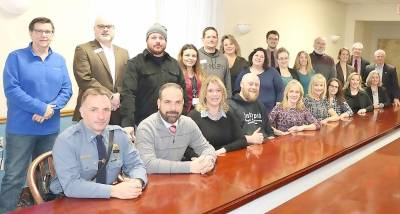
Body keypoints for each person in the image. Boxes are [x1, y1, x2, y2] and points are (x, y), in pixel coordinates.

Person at [0, 17, 72, 213]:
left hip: (50, 129)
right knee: (14, 177)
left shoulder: (59, 60)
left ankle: (41, 210)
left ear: (52, 35)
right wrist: (41, 108)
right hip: (21, 129)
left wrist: (50, 109)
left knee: (46, 177)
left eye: (48, 31)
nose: (43, 35)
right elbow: (12, 90)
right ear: (31, 33)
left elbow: (67, 90)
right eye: (39, 31)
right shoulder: (16, 57)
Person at [50, 88, 147, 199]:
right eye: (94, 110)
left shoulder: (119, 135)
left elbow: (136, 165)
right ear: (81, 112)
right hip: (71, 201)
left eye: (106, 109)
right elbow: (71, 186)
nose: (101, 116)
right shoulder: (66, 141)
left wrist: (137, 181)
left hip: (109, 200)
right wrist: (113, 191)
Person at [120, 23, 187, 140]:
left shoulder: (174, 64)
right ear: (147, 40)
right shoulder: (135, 63)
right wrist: (128, 123)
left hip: (170, 125)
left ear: (166, 41)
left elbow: (183, 95)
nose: (158, 41)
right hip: (143, 126)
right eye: (154, 37)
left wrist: (182, 119)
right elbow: (128, 94)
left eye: (161, 38)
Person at [135, 83, 217, 174]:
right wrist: (190, 167)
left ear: (183, 104)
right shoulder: (146, 128)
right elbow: (147, 164)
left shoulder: (188, 124)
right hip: (152, 184)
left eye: (178, 102)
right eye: (167, 102)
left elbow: (206, 148)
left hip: (179, 182)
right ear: (158, 103)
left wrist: (209, 160)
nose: (173, 108)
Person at [73, 16, 129, 125]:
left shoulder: (124, 52)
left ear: (114, 29)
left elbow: (128, 80)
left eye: (109, 26)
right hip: (92, 111)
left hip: (118, 112)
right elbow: (84, 79)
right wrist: (110, 96)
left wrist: (119, 96)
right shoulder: (83, 49)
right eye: (101, 26)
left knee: (116, 142)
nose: (105, 29)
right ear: (94, 29)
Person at [188, 75, 247, 155]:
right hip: (203, 163)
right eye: (210, 91)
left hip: (225, 161)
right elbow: (185, 147)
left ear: (222, 93)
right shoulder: (193, 116)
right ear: (204, 94)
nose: (215, 94)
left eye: (218, 90)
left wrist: (222, 150)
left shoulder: (228, 114)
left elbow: (242, 140)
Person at [235, 47, 284, 116]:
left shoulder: (272, 72)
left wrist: (277, 109)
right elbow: (236, 91)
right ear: (252, 57)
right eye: (256, 55)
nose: (259, 58)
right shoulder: (243, 72)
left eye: (262, 57)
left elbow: (280, 90)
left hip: (269, 112)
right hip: (248, 112)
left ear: (265, 60)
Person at [229, 73, 275, 144]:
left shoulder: (260, 105)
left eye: (256, 85)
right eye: (250, 84)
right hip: (243, 149)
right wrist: (250, 140)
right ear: (241, 84)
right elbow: (230, 137)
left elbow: (270, 132)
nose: (254, 87)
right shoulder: (230, 105)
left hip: (264, 148)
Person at [198, 27, 231, 96]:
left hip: (219, 98)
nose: (211, 39)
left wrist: (228, 98)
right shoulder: (196, 56)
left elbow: (227, 81)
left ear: (217, 39)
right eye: (208, 37)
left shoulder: (223, 58)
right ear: (203, 39)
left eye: (214, 37)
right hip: (201, 97)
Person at [177, 44, 205, 113]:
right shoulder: (177, 75)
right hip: (182, 112)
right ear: (181, 56)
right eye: (187, 55)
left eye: (194, 56)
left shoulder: (201, 74)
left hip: (199, 111)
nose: (190, 58)